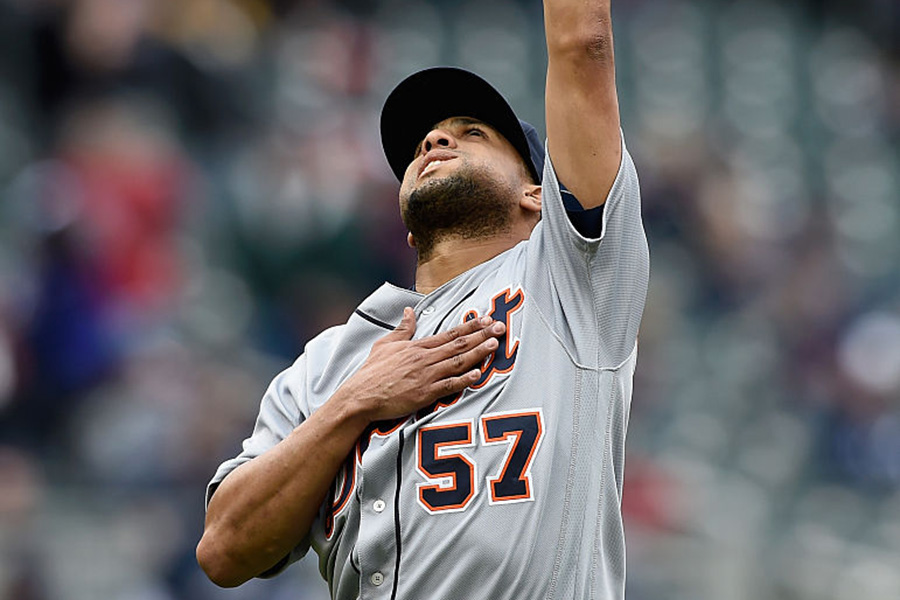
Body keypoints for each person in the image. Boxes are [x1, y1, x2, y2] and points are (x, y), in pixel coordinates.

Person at [197, 1, 649, 598]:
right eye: (421, 145)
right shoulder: (325, 367)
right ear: (409, 226)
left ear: (538, 195)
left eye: (474, 133)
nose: (434, 138)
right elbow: (224, 550)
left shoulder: (573, 282)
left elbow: (581, 42)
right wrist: (354, 404)